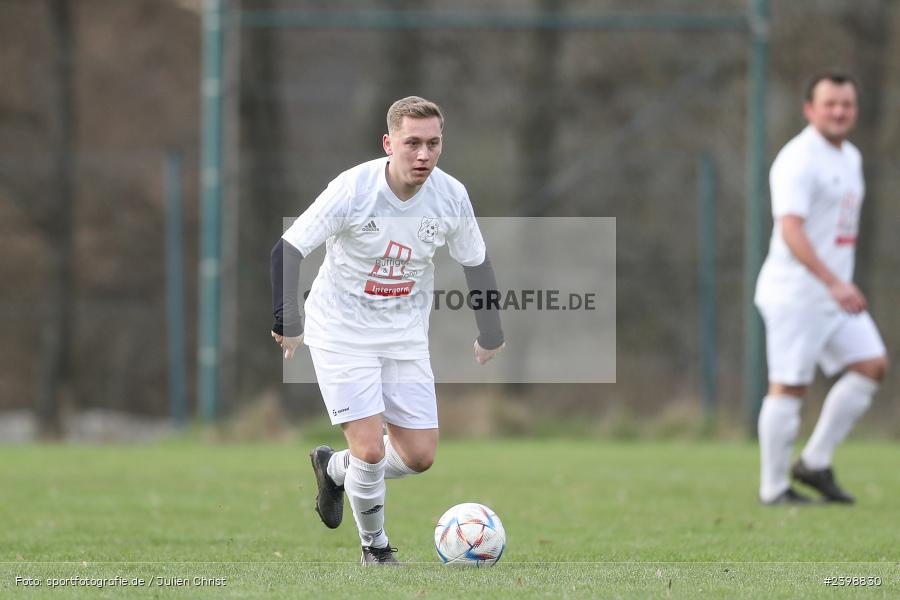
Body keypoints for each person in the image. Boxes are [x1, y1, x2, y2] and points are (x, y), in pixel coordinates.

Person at [270, 96, 504, 563]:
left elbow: (476, 262)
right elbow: (288, 250)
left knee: (419, 456)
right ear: (388, 142)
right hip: (340, 329)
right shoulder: (353, 189)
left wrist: (490, 330)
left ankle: (334, 468)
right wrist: (288, 321)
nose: (423, 155)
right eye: (412, 143)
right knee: (371, 450)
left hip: (403, 334)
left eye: (433, 144)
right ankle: (375, 549)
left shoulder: (450, 195)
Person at [754, 72, 888, 505]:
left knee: (871, 365)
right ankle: (773, 489)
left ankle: (814, 462)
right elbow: (791, 230)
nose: (839, 112)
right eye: (830, 104)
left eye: (846, 104)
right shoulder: (798, 159)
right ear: (809, 109)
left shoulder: (850, 156)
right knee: (789, 386)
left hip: (834, 294)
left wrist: (838, 285)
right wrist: (833, 282)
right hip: (798, 292)